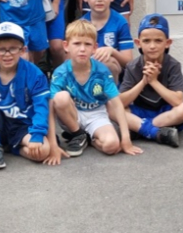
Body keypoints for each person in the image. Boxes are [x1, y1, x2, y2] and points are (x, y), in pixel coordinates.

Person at [0, 22, 62, 169]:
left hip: (22, 126)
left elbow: (42, 108)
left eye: (13, 49)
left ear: (22, 50)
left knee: (43, 151)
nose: (7, 54)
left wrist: (37, 134)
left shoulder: (35, 74)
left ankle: (13, 147)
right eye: (1, 50)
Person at [50, 19, 142, 157]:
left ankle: (88, 139)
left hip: (96, 114)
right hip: (72, 115)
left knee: (112, 146)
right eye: (76, 44)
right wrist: (52, 146)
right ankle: (77, 133)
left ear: (94, 48)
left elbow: (117, 104)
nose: (82, 49)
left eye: (87, 44)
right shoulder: (60, 72)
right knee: (60, 98)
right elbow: (51, 107)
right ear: (66, 46)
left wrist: (125, 138)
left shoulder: (102, 71)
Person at [120, 14, 183, 148]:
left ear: (167, 43)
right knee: (111, 108)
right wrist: (143, 81)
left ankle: (140, 128)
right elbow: (121, 101)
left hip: (165, 113)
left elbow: (177, 101)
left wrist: (153, 81)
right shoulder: (132, 66)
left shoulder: (172, 65)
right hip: (141, 110)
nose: (152, 46)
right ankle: (156, 132)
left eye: (158, 41)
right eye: (147, 41)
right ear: (138, 43)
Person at [78, 0, 135, 77]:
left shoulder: (120, 22)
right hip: (87, 74)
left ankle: (111, 93)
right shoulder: (81, 25)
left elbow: (129, 62)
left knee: (107, 63)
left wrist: (112, 51)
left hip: (114, 78)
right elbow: (72, 58)